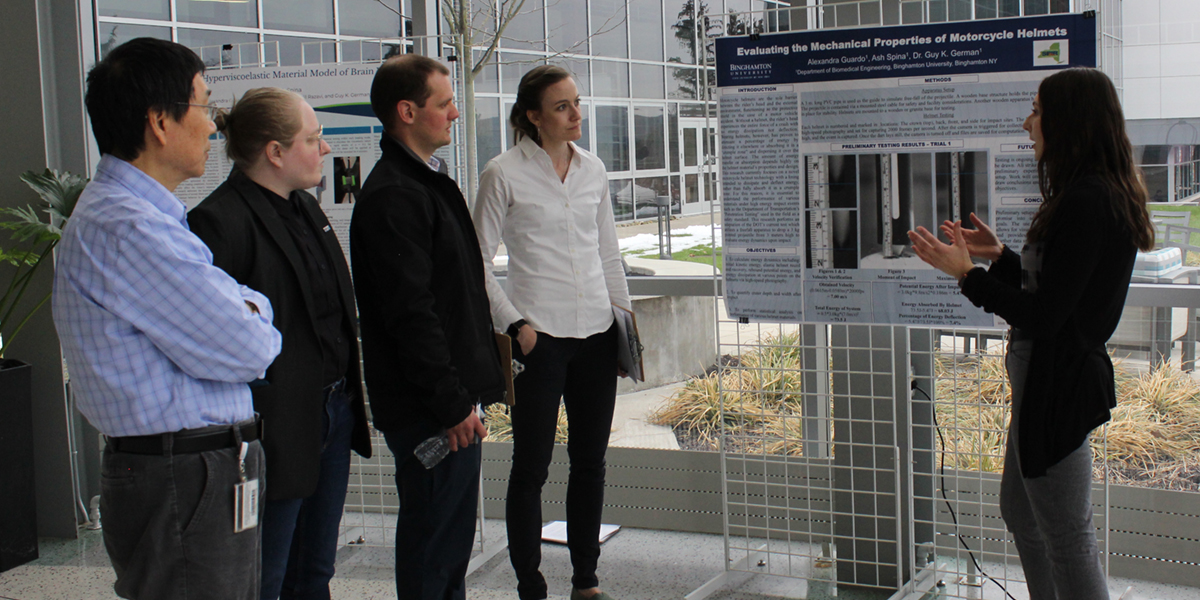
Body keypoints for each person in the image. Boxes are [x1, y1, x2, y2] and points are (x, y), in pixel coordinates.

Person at [907, 67, 1155, 600]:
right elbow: (1060, 293)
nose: (1027, 124)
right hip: (1046, 383)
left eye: (1037, 111)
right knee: (1021, 512)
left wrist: (967, 275)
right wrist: (998, 258)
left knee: (1067, 538)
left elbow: (1046, 317)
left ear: (1070, 121)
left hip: (1058, 388)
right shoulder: (1087, 195)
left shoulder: (1087, 201)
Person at [52, 38, 283, 600]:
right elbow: (250, 346)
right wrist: (251, 307)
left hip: (190, 470)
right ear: (160, 122)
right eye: (203, 105)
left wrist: (244, 307)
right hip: (183, 476)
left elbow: (234, 323)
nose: (214, 124)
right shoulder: (129, 228)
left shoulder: (143, 219)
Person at [188, 88, 373, 600]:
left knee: (315, 568)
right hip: (274, 427)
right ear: (274, 151)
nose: (326, 149)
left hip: (332, 411)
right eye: (313, 139)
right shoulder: (218, 222)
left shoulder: (306, 208)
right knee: (267, 575)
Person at [350, 54, 506, 600]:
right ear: (407, 111)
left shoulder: (426, 183)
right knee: (433, 544)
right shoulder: (397, 195)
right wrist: (451, 404)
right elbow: (411, 315)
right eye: (445, 104)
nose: (456, 114)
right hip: (432, 412)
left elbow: (452, 295)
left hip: (446, 402)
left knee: (447, 545)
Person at [473, 65, 631, 600]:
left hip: (597, 336)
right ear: (533, 116)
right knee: (531, 468)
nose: (575, 114)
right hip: (538, 341)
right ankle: (530, 584)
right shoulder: (502, 173)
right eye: (562, 106)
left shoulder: (594, 170)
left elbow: (608, 254)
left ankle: (586, 580)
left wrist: (625, 332)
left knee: (590, 464)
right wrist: (515, 325)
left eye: (576, 102)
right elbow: (477, 262)